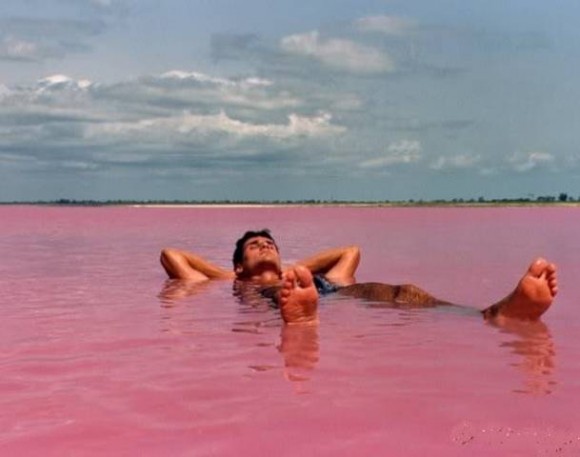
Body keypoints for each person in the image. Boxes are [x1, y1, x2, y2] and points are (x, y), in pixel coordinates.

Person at [160, 229, 558, 326]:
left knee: (405, 291)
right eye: (255, 246)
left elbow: (349, 251)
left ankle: (493, 314)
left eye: (270, 244)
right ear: (239, 264)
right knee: (296, 299)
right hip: (273, 297)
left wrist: (291, 269)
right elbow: (171, 255)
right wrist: (238, 275)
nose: (265, 246)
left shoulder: (294, 271)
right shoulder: (231, 282)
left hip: (331, 294)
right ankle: (301, 319)